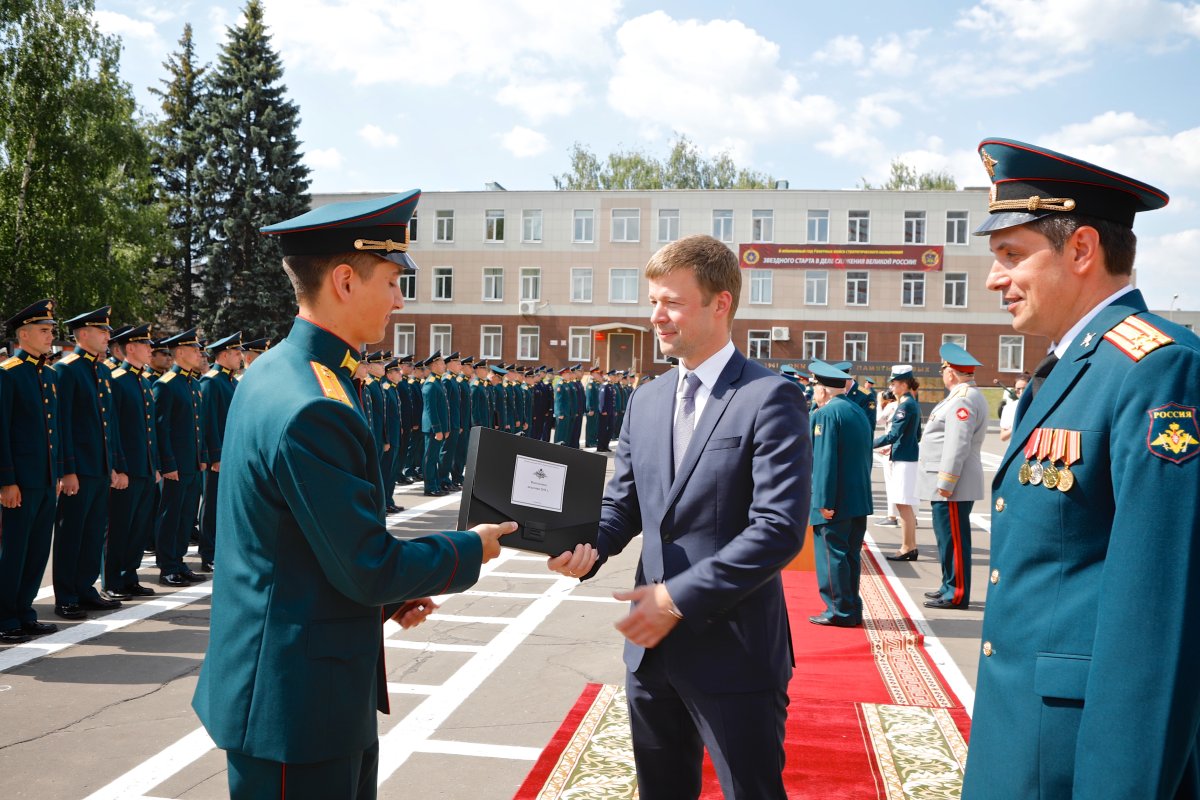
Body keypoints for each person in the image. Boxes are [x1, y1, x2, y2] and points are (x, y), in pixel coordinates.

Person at [191, 190, 514, 800]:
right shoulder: (314, 402)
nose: (399, 298)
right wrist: (471, 549)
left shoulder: (278, 372)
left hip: (300, 687)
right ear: (344, 280)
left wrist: (390, 601)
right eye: (392, 280)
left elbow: (299, 538)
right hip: (298, 708)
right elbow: (367, 565)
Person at [961, 138, 1200, 799]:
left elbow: (1157, 620)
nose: (992, 279)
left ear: (1082, 250)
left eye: (1011, 256)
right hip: (1022, 736)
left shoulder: (1156, 370)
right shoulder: (1068, 368)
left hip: (1078, 760)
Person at [548, 234, 811, 799]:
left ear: (721, 303)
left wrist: (674, 598)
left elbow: (777, 530)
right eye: (651, 303)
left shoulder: (770, 398)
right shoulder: (647, 398)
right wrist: (584, 547)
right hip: (651, 658)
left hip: (733, 652)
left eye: (671, 302)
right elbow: (624, 505)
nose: (656, 317)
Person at [53, 306, 128, 618]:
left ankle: (85, 588)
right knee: (72, 533)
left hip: (98, 468)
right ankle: (66, 596)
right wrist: (68, 470)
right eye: (102, 331)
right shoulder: (67, 369)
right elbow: (63, 423)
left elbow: (108, 422)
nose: (108, 337)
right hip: (79, 469)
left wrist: (113, 464)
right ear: (83, 335)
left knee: (94, 532)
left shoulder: (102, 370)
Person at [0, 299, 62, 643]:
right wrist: (7, 480)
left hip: (44, 480)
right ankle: (5, 615)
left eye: (51, 329)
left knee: (38, 550)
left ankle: (24, 611)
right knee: (14, 550)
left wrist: (57, 474)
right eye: (43, 330)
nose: (50, 335)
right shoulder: (8, 373)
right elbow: (3, 431)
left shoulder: (48, 375)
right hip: (20, 482)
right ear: (23, 334)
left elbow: (55, 432)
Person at [918, 343, 989, 610]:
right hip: (948, 482)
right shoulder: (961, 396)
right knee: (946, 538)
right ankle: (948, 585)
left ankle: (956, 593)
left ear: (951, 372)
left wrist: (947, 481)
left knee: (954, 540)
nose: (942, 373)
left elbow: (957, 443)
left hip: (952, 483)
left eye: (943, 368)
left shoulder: (963, 399)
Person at [805, 361, 873, 628]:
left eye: (815, 388)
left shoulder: (825, 414)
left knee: (832, 555)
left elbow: (824, 460)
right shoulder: (855, 409)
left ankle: (838, 610)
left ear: (823, 389)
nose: (813, 393)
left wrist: (823, 500)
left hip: (836, 500)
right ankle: (851, 607)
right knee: (850, 556)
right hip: (857, 498)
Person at [105, 324, 160, 598]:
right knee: (119, 527)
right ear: (130, 348)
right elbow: (113, 429)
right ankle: (112, 580)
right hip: (127, 468)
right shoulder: (116, 379)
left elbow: (149, 430)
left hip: (145, 467)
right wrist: (119, 467)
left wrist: (156, 464)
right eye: (146, 345)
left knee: (138, 527)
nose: (151, 349)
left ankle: (130, 576)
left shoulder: (144, 380)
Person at [153, 328, 208, 587]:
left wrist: (202, 457)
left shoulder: (193, 383)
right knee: (171, 515)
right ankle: (167, 566)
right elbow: (161, 429)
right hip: (176, 465)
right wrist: (168, 464)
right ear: (181, 352)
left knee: (186, 515)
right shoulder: (165, 385)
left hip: (193, 464)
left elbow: (199, 426)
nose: (200, 354)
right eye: (195, 350)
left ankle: (179, 560)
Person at [198, 332, 243, 573]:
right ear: (224, 355)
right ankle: (209, 552)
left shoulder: (231, 382)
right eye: (236, 353)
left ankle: (223, 550)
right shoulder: (211, 381)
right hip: (219, 458)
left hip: (232, 454)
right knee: (213, 503)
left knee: (227, 504)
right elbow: (208, 422)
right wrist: (215, 455)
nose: (240, 357)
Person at [873, 365, 922, 560]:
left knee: (903, 504)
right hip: (905, 456)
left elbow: (893, 434)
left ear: (903, 384)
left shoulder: (905, 405)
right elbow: (916, 434)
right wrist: (892, 447)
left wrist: (869, 444)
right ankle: (910, 545)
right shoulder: (911, 403)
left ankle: (907, 547)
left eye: (894, 384)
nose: (891, 389)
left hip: (904, 460)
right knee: (904, 504)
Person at [874, 390, 900, 527]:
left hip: (891, 446)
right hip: (901, 448)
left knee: (891, 484)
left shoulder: (892, 406)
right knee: (906, 486)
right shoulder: (907, 404)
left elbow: (878, 419)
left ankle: (892, 516)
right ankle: (911, 517)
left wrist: (879, 403)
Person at [997, 373, 1028, 443]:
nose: (1021, 392)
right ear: (1014, 390)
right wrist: (1016, 425)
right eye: (1018, 389)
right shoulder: (1009, 408)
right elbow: (1003, 437)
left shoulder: (1037, 405)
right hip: (1016, 448)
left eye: (1025, 388)